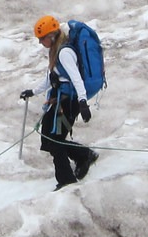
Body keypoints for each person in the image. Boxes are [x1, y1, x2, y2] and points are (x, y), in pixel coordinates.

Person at [22, 15, 98, 189]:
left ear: (51, 36)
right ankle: (84, 155)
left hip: (69, 102)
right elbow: (53, 76)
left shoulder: (64, 53)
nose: (40, 42)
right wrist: (33, 91)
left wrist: (83, 102)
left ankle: (66, 180)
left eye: (42, 39)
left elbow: (76, 79)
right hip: (60, 99)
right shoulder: (56, 50)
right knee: (48, 137)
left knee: (55, 141)